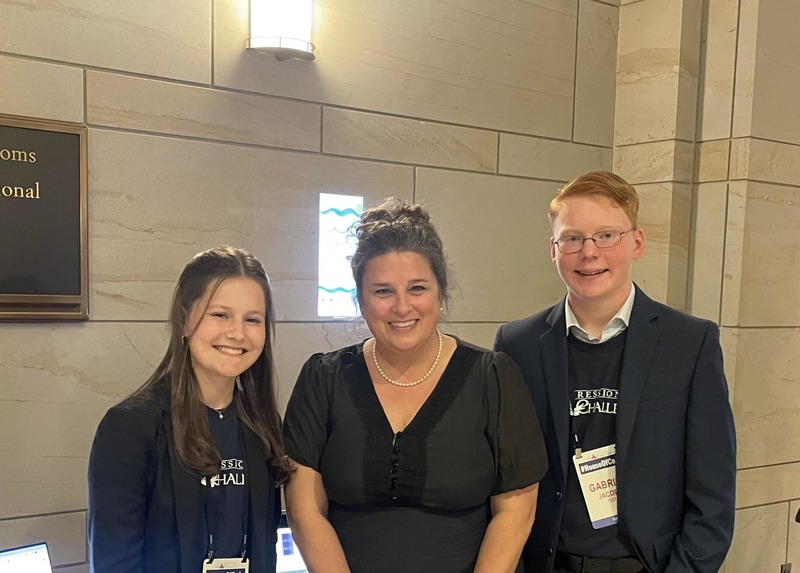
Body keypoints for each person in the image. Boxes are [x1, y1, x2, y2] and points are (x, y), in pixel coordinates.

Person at [283, 198, 548, 573]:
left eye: (417, 288)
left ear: (441, 292)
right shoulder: (323, 379)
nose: (402, 307)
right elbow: (304, 510)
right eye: (382, 291)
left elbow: (516, 509)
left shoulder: (493, 377)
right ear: (360, 299)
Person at [494, 172, 736, 573]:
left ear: (636, 243)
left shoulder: (690, 344)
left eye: (607, 235)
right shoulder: (516, 345)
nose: (589, 252)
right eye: (572, 238)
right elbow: (502, 480)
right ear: (553, 249)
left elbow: (713, 496)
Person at [88, 246, 291, 573]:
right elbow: (116, 564)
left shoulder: (262, 425)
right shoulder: (129, 427)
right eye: (220, 314)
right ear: (184, 320)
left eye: (252, 319)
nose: (237, 333)